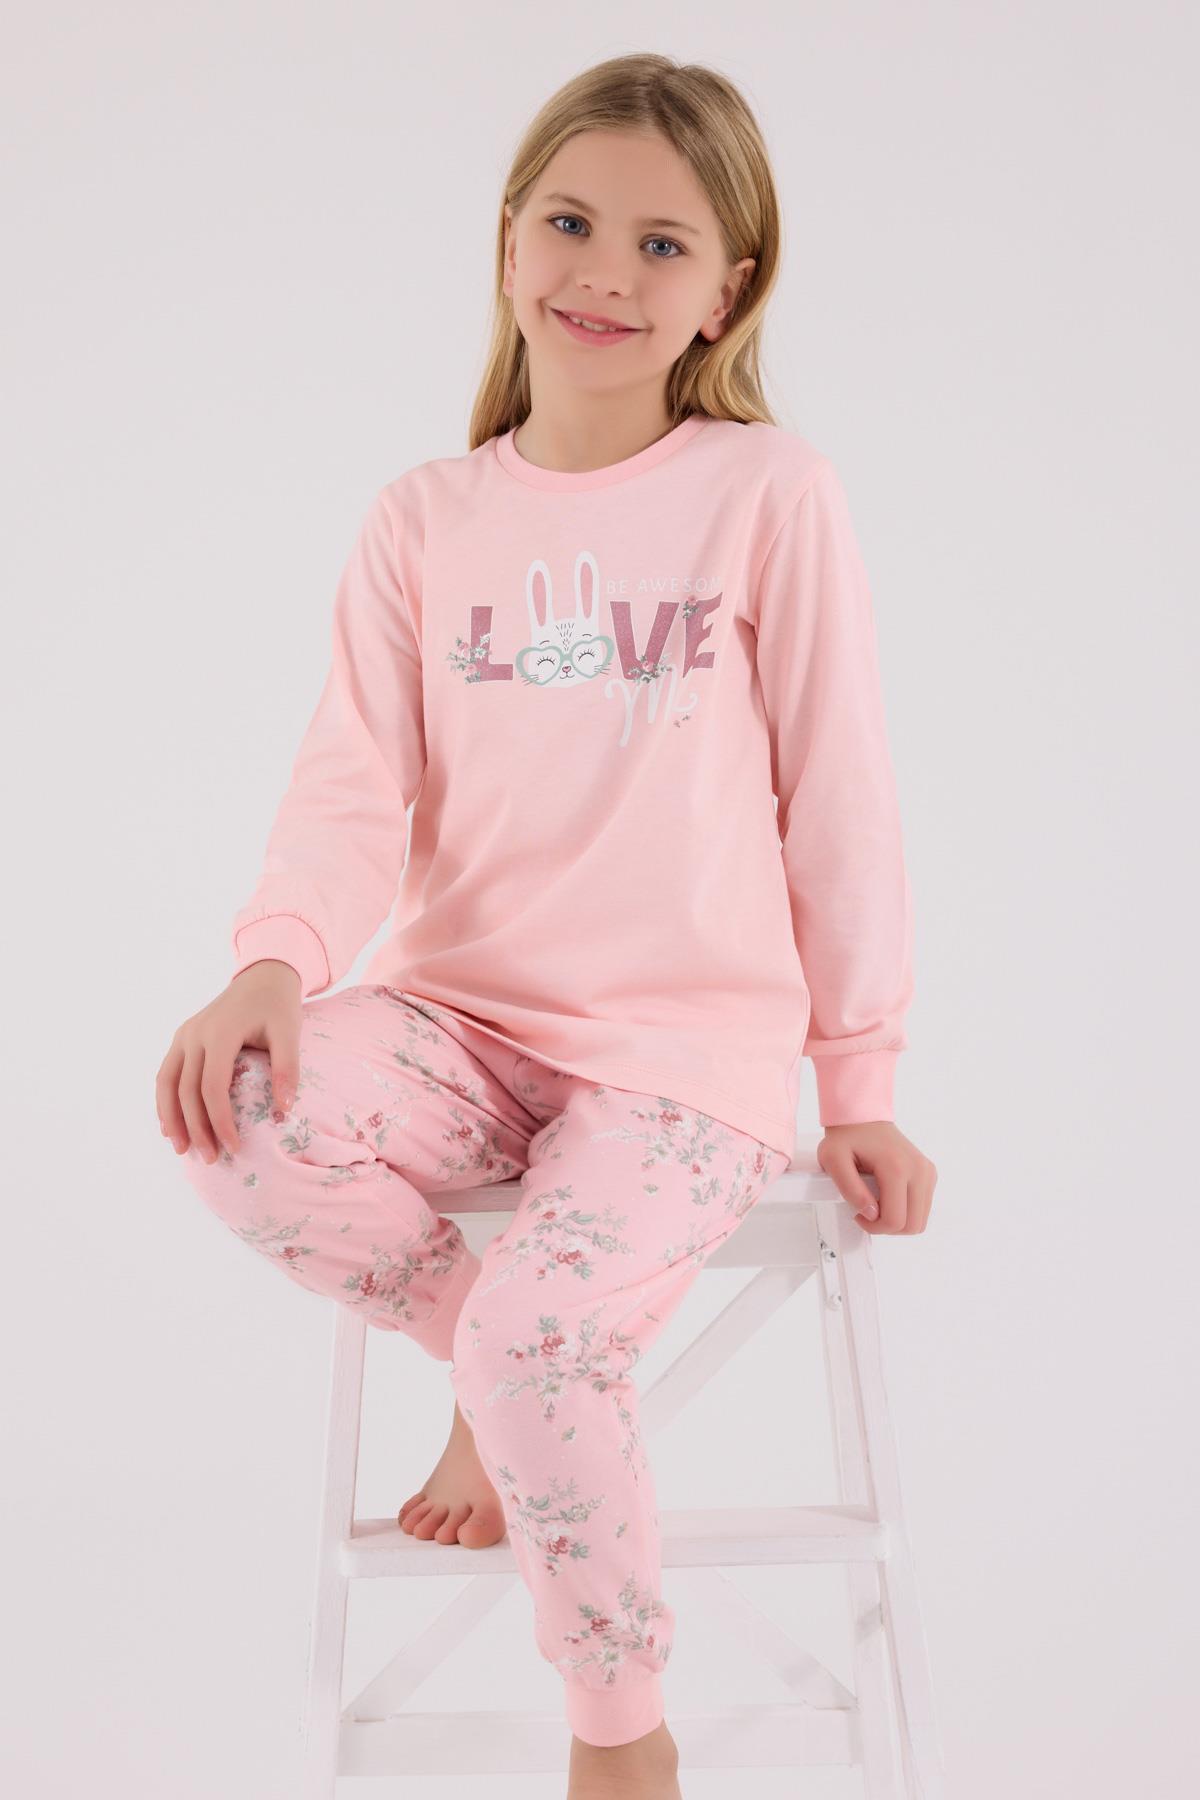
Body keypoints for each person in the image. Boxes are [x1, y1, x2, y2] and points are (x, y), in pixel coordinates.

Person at [155, 51, 937, 1800]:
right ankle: (511, 1382)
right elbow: (352, 788)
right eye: (571, 224)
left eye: (663, 246)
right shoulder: (423, 521)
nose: (605, 274)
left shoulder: (769, 494)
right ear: (509, 240)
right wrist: (272, 965)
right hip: (462, 1024)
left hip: (683, 1061)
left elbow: (841, 797)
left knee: (535, 1338)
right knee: (236, 1115)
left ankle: (621, 1739)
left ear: (727, 290)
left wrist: (861, 1082)